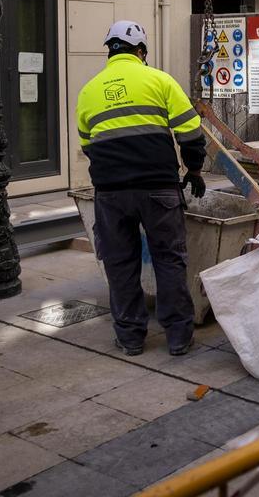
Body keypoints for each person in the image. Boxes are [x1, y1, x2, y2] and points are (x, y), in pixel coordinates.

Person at [76, 21, 208, 357]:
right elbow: (191, 133)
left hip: (111, 193)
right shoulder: (160, 80)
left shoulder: (88, 91)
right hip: (158, 188)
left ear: (110, 50)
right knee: (169, 260)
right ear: (141, 51)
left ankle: (131, 337)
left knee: (120, 264)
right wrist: (193, 169)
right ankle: (178, 337)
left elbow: (87, 145)